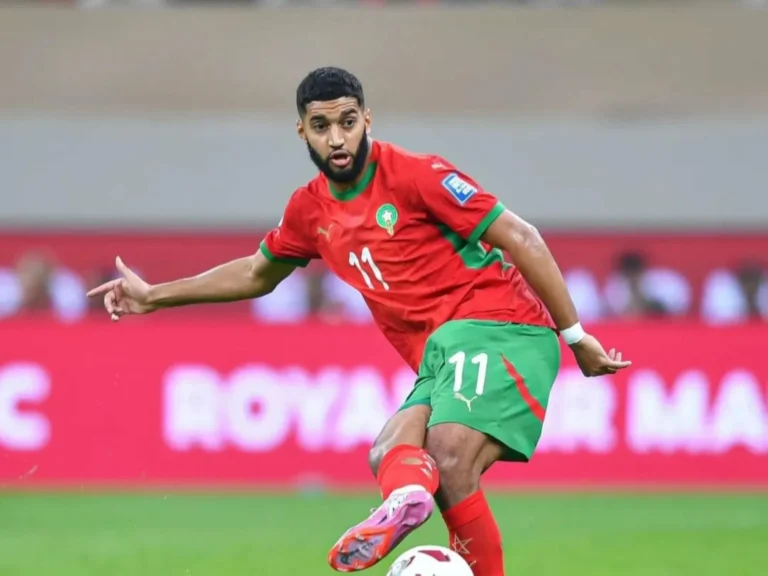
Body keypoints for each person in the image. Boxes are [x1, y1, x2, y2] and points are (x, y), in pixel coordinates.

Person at [87, 67, 631, 576]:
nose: (337, 138)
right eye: (321, 126)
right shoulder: (310, 211)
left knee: (446, 457)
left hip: (498, 325)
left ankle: (412, 497)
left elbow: (522, 236)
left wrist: (576, 336)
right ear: (301, 131)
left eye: (347, 122)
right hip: (440, 355)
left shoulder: (416, 175)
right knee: (389, 450)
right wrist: (154, 296)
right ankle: (407, 498)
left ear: (367, 119)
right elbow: (256, 273)